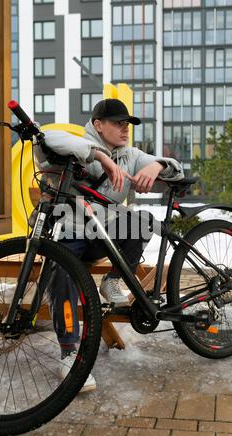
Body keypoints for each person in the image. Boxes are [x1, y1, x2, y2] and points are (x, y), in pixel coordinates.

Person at [34, 99, 184, 392]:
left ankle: (113, 281)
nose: (124, 129)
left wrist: (157, 165)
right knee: (60, 273)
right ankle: (69, 352)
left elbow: (176, 171)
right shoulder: (76, 144)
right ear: (98, 125)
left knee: (141, 220)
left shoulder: (131, 154)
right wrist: (101, 157)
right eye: (118, 123)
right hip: (74, 232)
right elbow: (47, 140)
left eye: (126, 124)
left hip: (105, 234)